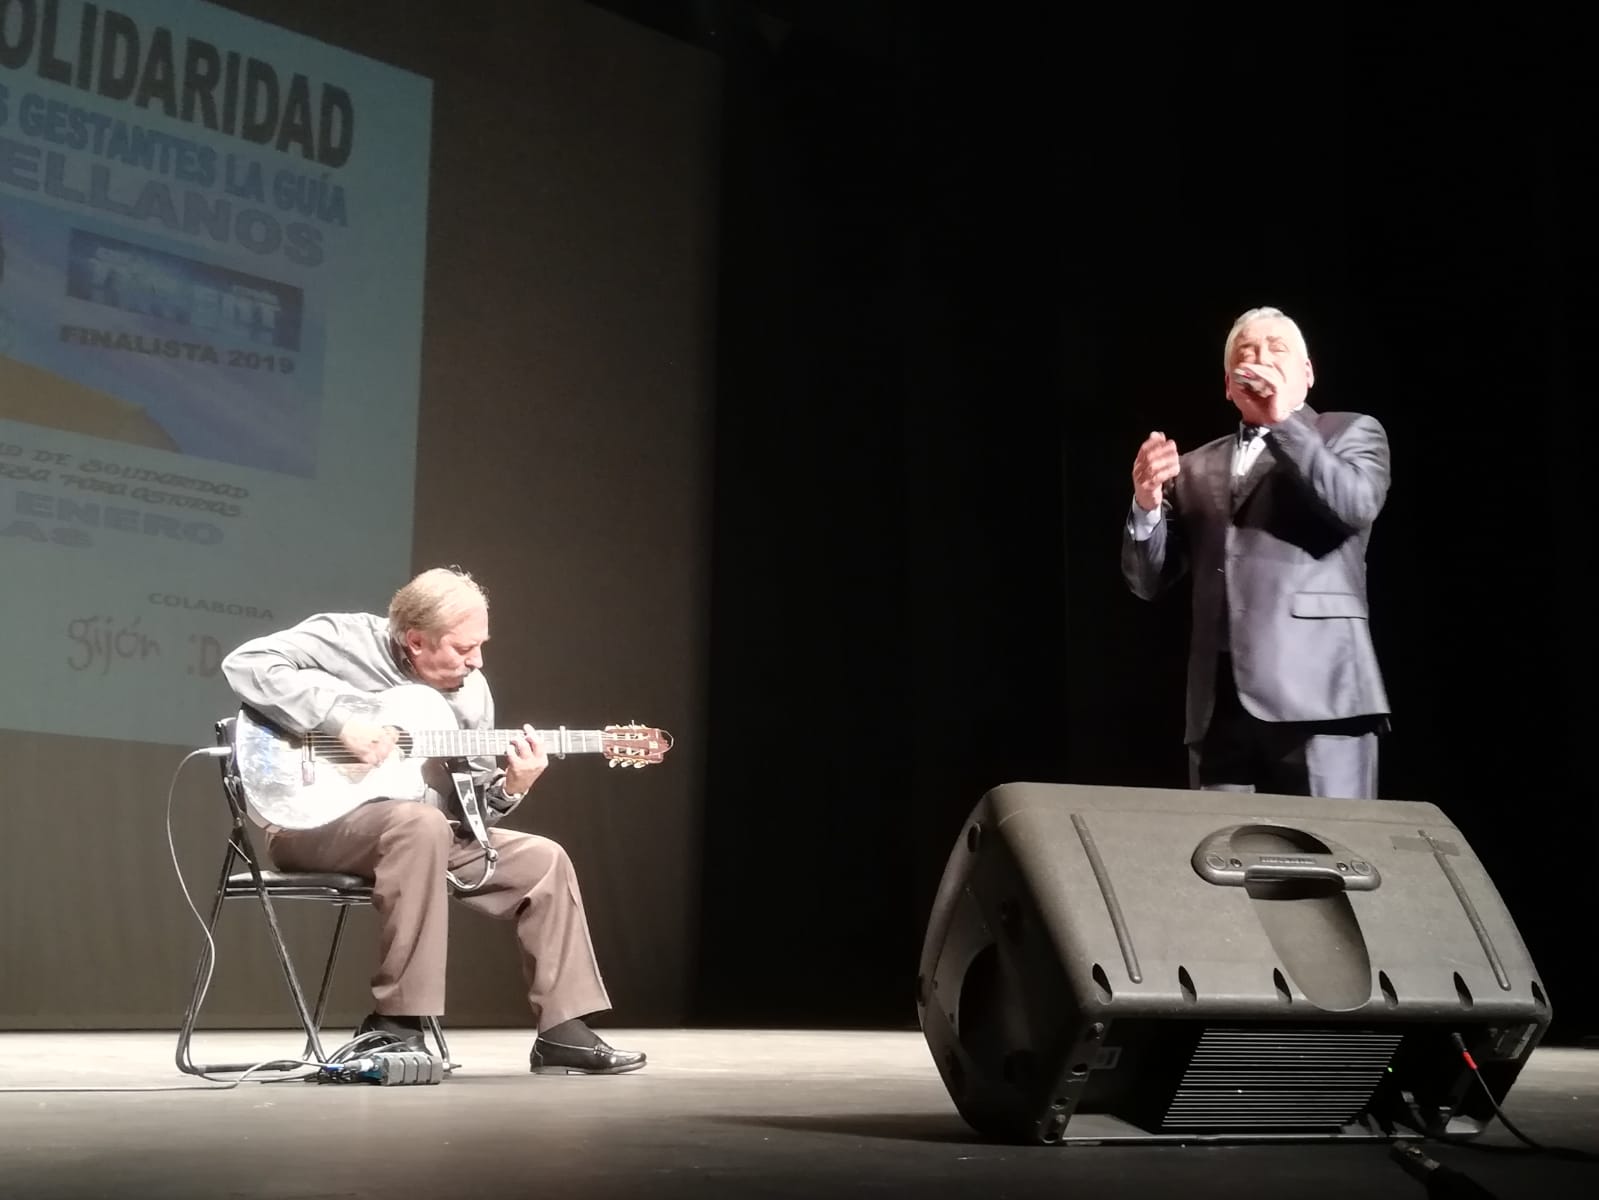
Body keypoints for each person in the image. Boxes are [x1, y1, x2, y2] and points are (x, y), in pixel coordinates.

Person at [220, 566, 645, 1074]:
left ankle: (562, 1032)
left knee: (542, 859)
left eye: (480, 646)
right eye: (463, 648)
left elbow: (470, 811)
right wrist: (341, 723)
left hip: (419, 833)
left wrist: (511, 787)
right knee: (421, 824)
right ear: (416, 640)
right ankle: (396, 1024)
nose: (477, 661)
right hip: (308, 824)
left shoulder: (472, 691)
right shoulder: (347, 639)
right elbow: (245, 663)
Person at [1120, 306, 1391, 799]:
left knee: (1334, 846)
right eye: (1247, 353)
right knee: (1219, 849)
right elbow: (1148, 580)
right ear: (1229, 385)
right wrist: (1147, 503)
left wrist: (1282, 421)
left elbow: (1354, 505)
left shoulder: (1349, 433)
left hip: (1323, 696)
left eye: (1276, 349)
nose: (1260, 359)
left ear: (1306, 373)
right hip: (1219, 708)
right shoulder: (1195, 466)